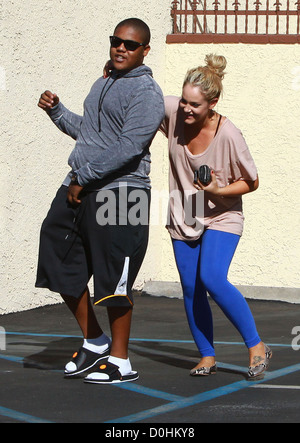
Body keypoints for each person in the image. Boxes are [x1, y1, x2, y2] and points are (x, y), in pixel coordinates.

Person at [35, 18, 165, 384]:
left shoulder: (147, 92)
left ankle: (121, 361)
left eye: (131, 44)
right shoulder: (104, 81)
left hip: (125, 192)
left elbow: (129, 147)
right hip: (83, 185)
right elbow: (93, 135)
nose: (121, 48)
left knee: (115, 277)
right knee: (57, 256)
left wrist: (84, 178)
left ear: (145, 51)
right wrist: (57, 112)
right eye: (116, 41)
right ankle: (95, 340)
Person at [160, 54, 272, 380]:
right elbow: (143, 94)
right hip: (187, 210)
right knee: (192, 288)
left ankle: (256, 346)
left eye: (194, 105)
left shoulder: (229, 134)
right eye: (183, 101)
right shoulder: (173, 112)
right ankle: (207, 356)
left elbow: (251, 181)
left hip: (223, 212)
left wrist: (217, 189)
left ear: (213, 103)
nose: (186, 109)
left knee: (211, 277)